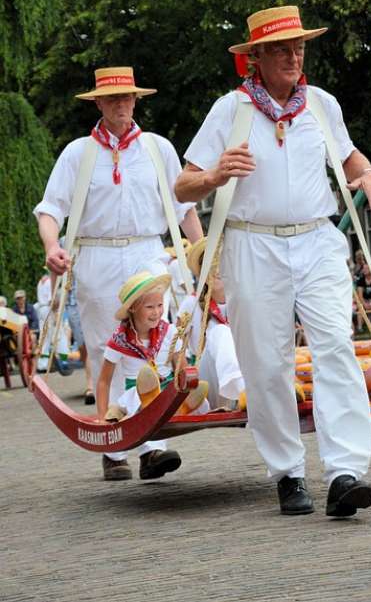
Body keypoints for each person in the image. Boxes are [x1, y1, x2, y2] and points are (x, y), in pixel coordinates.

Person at [175, 5, 371, 518]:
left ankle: (344, 472)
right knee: (266, 363)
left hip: (317, 239)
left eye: (299, 48)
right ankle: (289, 473)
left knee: (336, 346)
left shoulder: (321, 104)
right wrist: (214, 176)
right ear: (257, 58)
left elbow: (350, 156)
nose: (294, 57)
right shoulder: (231, 110)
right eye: (282, 50)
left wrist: (370, 176)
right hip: (253, 244)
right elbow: (183, 184)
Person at [34, 66, 203, 480]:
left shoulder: (157, 147)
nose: (121, 104)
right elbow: (51, 208)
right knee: (105, 348)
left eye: (127, 97)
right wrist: (52, 246)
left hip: (148, 252)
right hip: (97, 257)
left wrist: (201, 255)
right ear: (97, 102)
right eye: (112, 98)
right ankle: (112, 447)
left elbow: (183, 207)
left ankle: (152, 446)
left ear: (136, 99)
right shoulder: (78, 153)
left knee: (154, 343)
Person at [96, 271, 182, 480]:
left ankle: (151, 456)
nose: (157, 312)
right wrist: (101, 419)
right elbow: (104, 381)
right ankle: (148, 454)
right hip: (135, 395)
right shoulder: (120, 340)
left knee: (181, 396)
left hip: (166, 392)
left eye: (160, 305)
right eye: (150, 307)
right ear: (133, 308)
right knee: (143, 398)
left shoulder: (169, 332)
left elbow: (181, 368)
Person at [178, 237, 245, 410]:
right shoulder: (191, 304)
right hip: (205, 382)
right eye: (210, 265)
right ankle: (243, 392)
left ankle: (243, 393)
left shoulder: (242, 301)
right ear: (201, 273)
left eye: (221, 264)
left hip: (245, 370)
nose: (216, 271)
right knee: (220, 332)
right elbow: (177, 349)